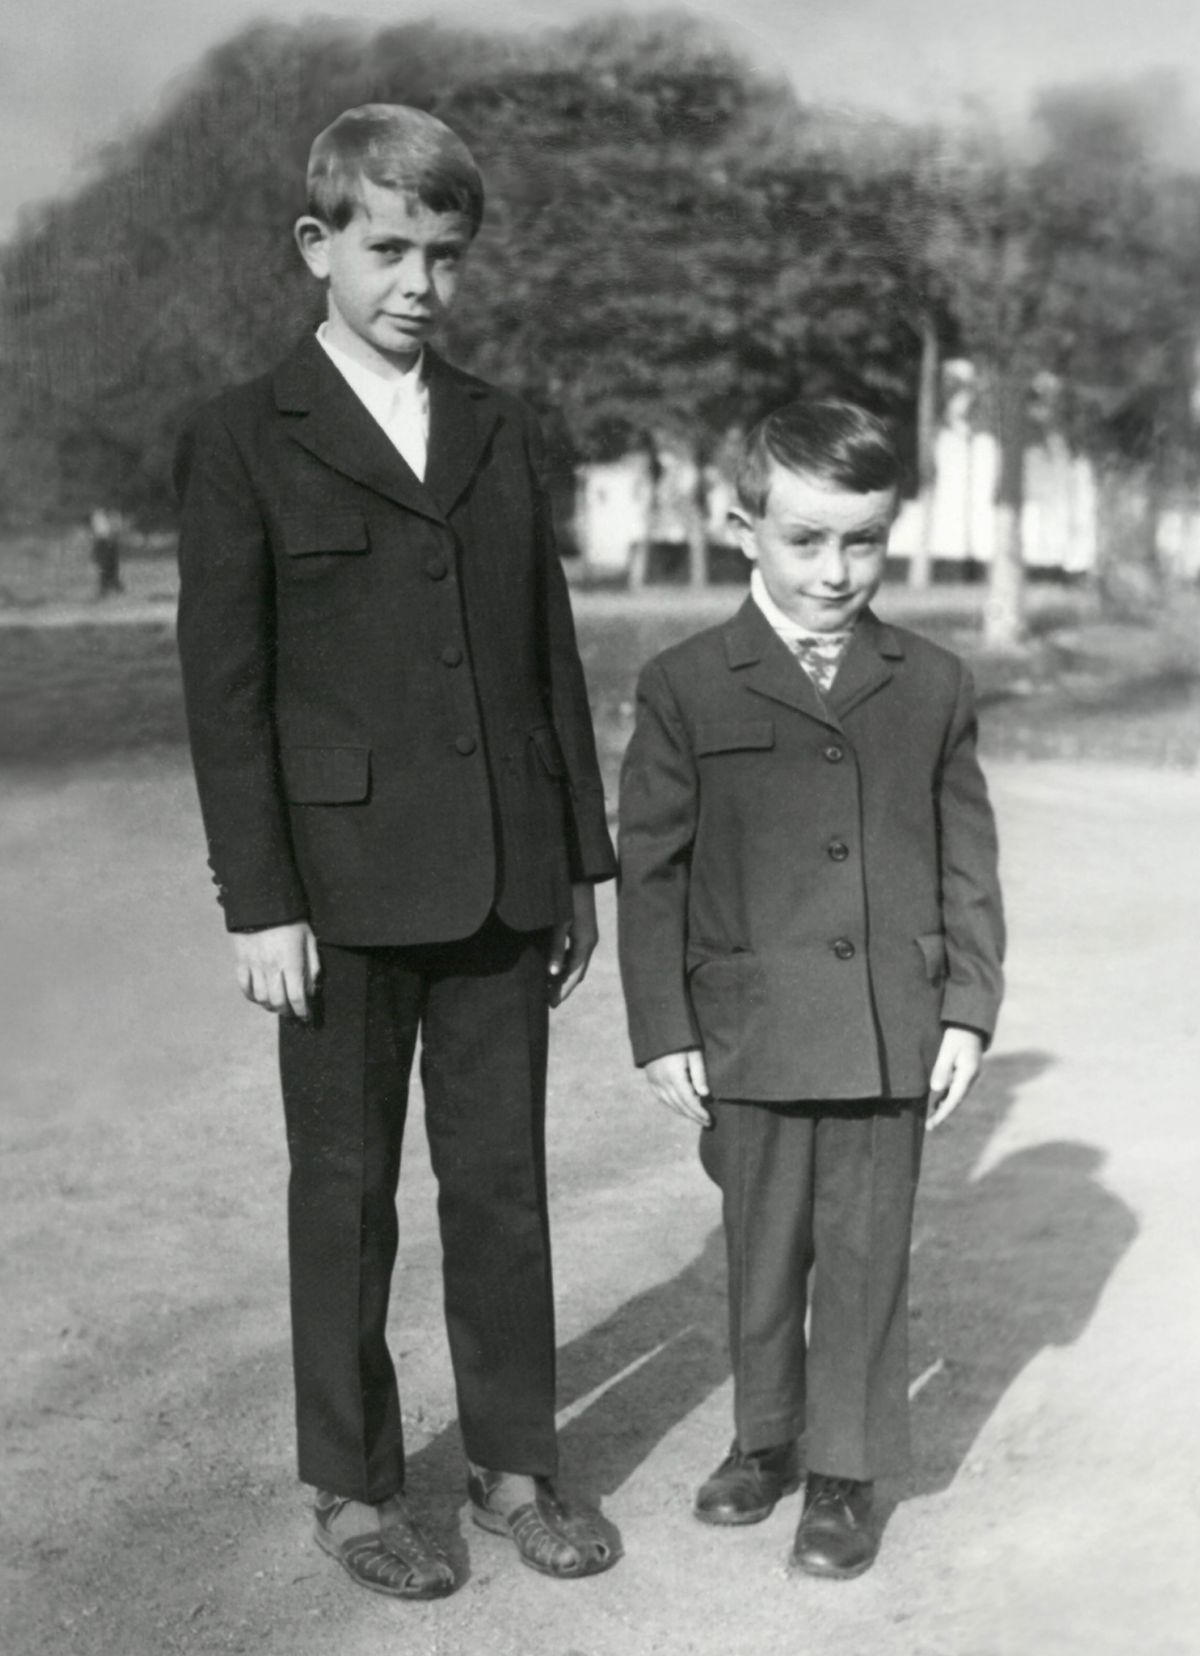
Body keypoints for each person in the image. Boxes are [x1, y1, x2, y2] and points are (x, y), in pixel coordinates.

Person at [175, 104, 619, 1600]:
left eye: (445, 253)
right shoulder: (244, 436)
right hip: (340, 897)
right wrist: (261, 903)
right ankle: (355, 1484)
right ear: (319, 247)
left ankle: (512, 1466)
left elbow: (542, 647)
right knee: (346, 1188)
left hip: (501, 873)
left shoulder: (495, 425)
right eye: (386, 248)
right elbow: (224, 697)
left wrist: (574, 865)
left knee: (500, 1185)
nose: (417, 281)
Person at [617, 401, 1004, 1579]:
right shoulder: (687, 683)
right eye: (806, 540)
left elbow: (968, 859)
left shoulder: (930, 681)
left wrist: (969, 1009)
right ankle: (767, 1436)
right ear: (744, 531)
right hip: (752, 1028)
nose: (837, 571)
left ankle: (844, 1472)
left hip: (893, 1026)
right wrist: (663, 1027)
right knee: (763, 1241)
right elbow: (651, 872)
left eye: (865, 541)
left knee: (867, 1249)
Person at [89, 505, 123, 597]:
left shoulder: (115, 514)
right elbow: (97, 530)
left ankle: (114, 583)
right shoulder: (98, 515)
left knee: (113, 564)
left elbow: (118, 527)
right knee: (104, 564)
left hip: (112, 541)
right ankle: (104, 586)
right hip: (102, 542)